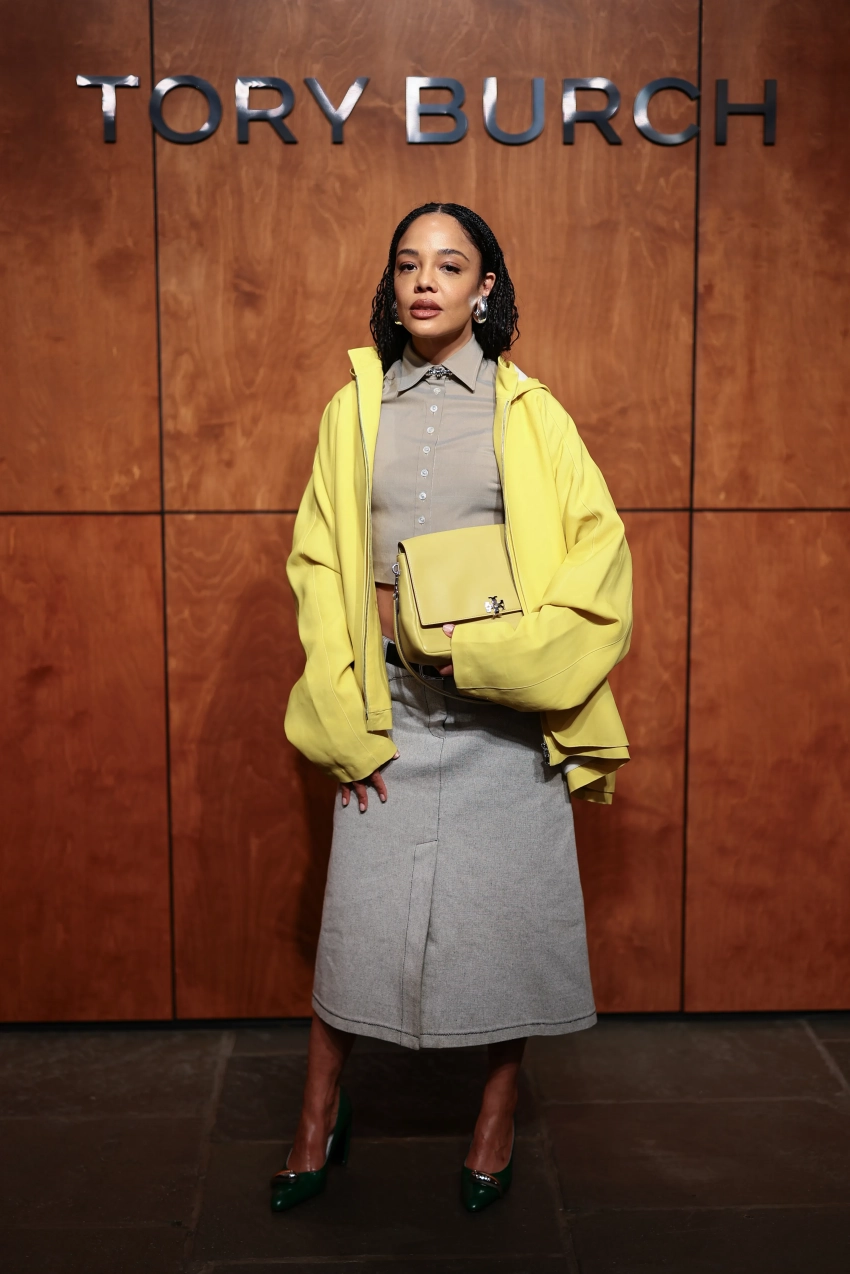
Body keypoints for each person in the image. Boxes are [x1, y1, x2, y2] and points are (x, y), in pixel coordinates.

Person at [274, 202, 632, 1213]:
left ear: (485, 287)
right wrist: (343, 722)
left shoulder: (532, 414)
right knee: (357, 920)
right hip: (385, 700)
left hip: (501, 711)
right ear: (391, 287)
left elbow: (597, 557)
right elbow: (318, 564)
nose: (425, 281)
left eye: (449, 264)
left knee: (504, 919)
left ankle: (493, 1119)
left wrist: (509, 664)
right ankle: (316, 1115)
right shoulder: (352, 409)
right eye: (407, 265)